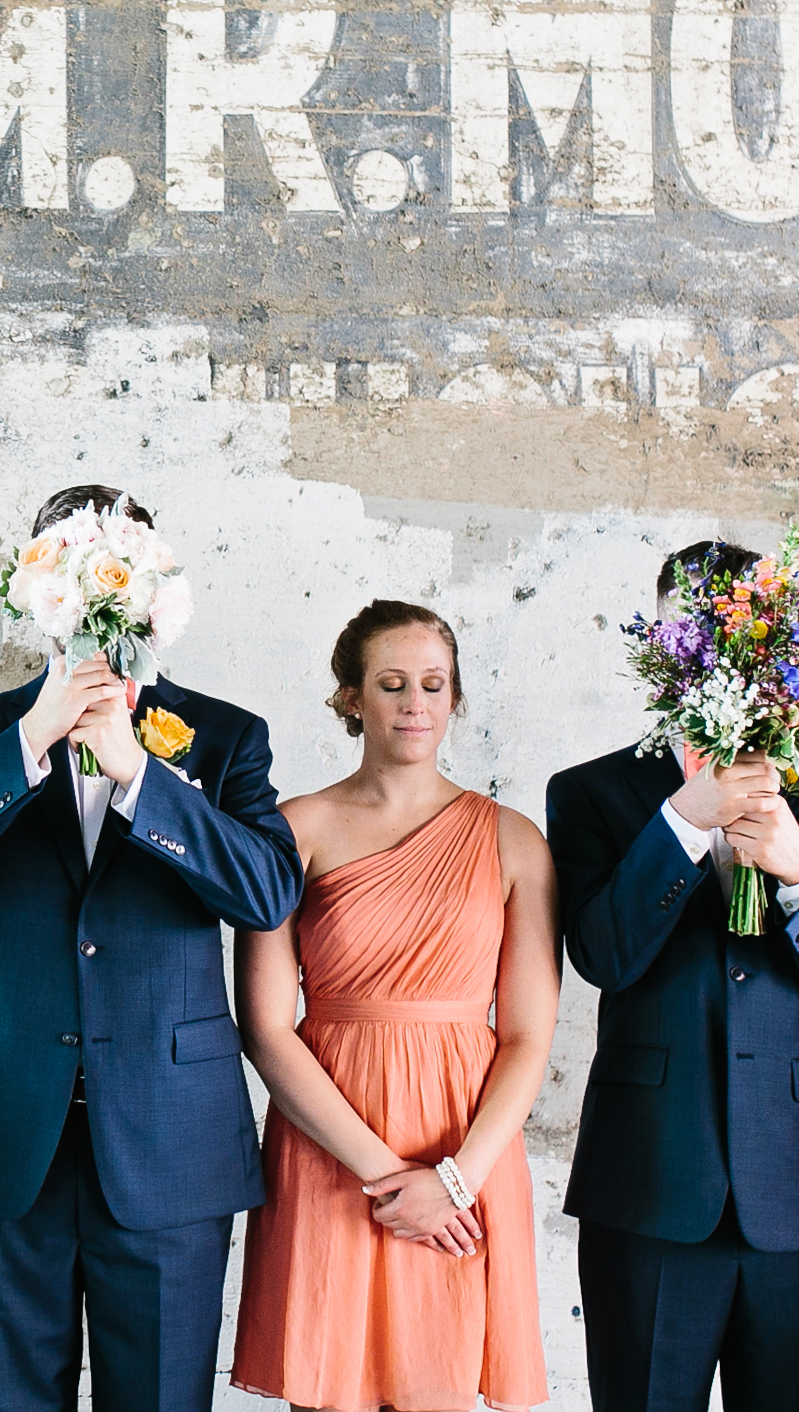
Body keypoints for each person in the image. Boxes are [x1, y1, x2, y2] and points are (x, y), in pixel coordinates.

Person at [0, 484, 303, 1412]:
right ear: (36, 590)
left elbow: (270, 893)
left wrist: (142, 776)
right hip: (2, 1128)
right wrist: (30, 740)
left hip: (169, 1136)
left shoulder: (228, 738)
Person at [545, 538, 799, 1412]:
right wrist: (679, 823)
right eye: (684, 633)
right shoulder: (590, 793)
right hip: (651, 1176)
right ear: (660, 646)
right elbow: (602, 959)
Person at [232, 601, 554, 1412]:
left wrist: (454, 1179)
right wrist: (385, 1174)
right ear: (351, 699)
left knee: (440, 1381)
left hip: (465, 1144)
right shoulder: (292, 828)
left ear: (454, 700)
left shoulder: (514, 838)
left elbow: (526, 1035)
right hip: (332, 1141)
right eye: (393, 683)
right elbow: (266, 1026)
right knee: (328, 1384)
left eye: (434, 685)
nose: (416, 703)